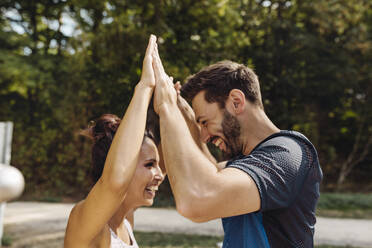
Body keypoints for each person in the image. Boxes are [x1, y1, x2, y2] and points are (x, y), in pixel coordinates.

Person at [152, 47, 323, 248]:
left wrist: (166, 108)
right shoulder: (249, 161)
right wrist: (188, 118)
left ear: (236, 102)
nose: (204, 137)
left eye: (205, 122)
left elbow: (197, 199)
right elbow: (212, 173)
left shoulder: (287, 154)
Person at [64, 35, 165, 248]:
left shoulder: (126, 221)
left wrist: (170, 108)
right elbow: (115, 182)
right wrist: (145, 87)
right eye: (149, 165)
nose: (160, 175)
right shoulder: (86, 222)